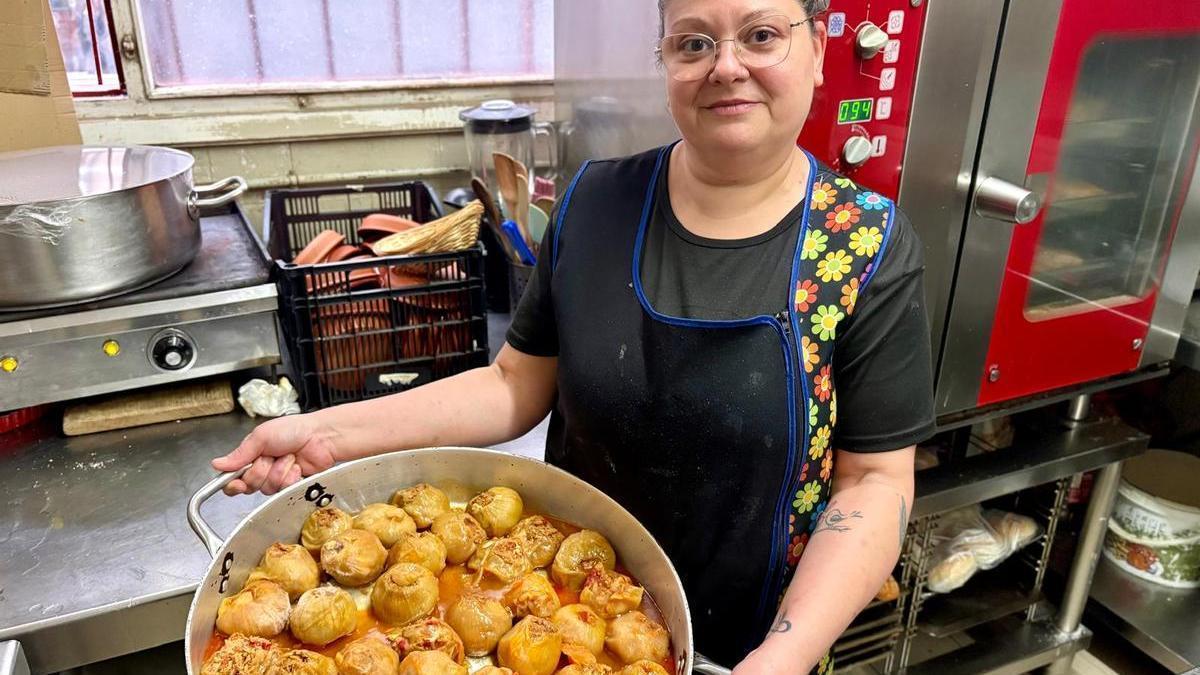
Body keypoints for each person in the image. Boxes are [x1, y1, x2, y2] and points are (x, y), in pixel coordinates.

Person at [214, 0, 935, 671]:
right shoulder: (595, 202)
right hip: (560, 628)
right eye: (693, 43)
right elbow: (512, 384)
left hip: (760, 638)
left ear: (818, 50)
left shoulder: (864, 244)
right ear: (666, 60)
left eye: (761, 35)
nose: (725, 66)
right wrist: (326, 435)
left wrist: (782, 658)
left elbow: (873, 482)